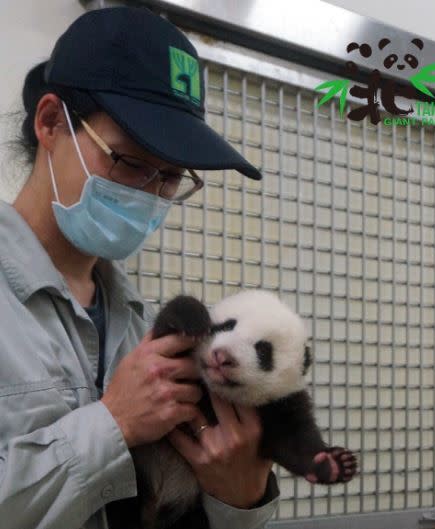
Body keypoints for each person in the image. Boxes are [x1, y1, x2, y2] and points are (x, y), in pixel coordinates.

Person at [0, 6, 284, 529]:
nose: (149, 194)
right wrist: (112, 425)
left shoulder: (138, 322)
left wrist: (239, 497)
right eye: (129, 162)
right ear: (50, 122)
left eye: (171, 178)